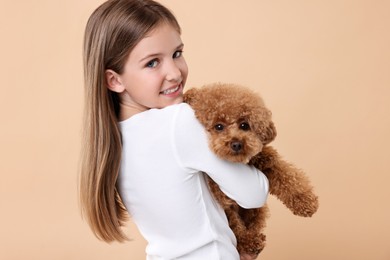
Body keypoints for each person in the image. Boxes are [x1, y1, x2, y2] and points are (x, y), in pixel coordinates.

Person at [79, 0, 269, 259]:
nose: (174, 73)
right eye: (152, 63)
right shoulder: (178, 122)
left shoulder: (113, 142)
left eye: (177, 54)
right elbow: (254, 194)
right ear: (114, 80)